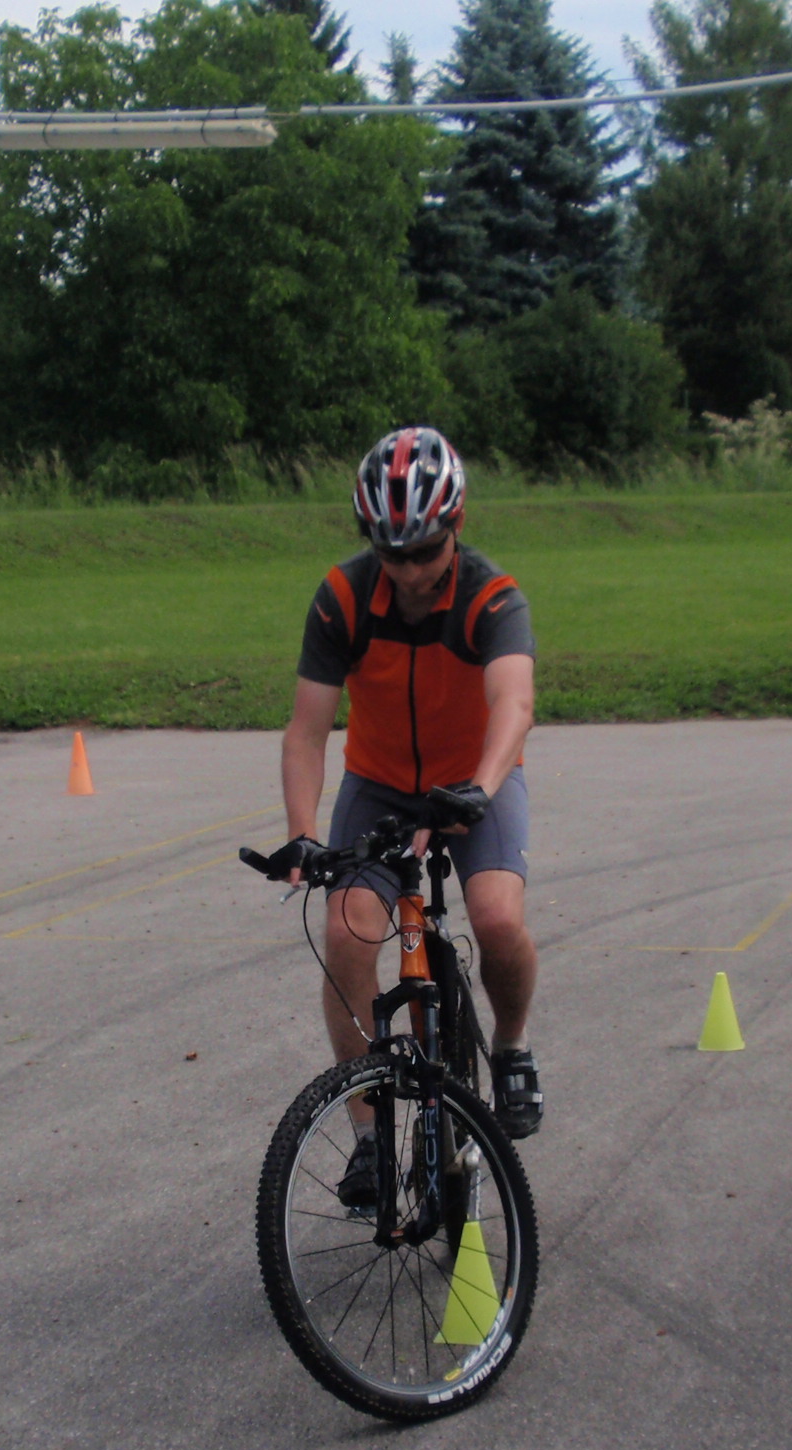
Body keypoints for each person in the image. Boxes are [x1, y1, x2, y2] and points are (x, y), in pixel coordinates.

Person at [264, 427, 542, 1202]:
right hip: (381, 785)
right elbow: (307, 730)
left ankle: (512, 1047)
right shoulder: (344, 597)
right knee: (346, 931)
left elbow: (514, 704)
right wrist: (301, 832)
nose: (411, 571)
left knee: (496, 919)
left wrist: (480, 787)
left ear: (457, 524)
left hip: (476, 779)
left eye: (424, 550)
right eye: (392, 552)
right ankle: (368, 1141)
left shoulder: (492, 596)